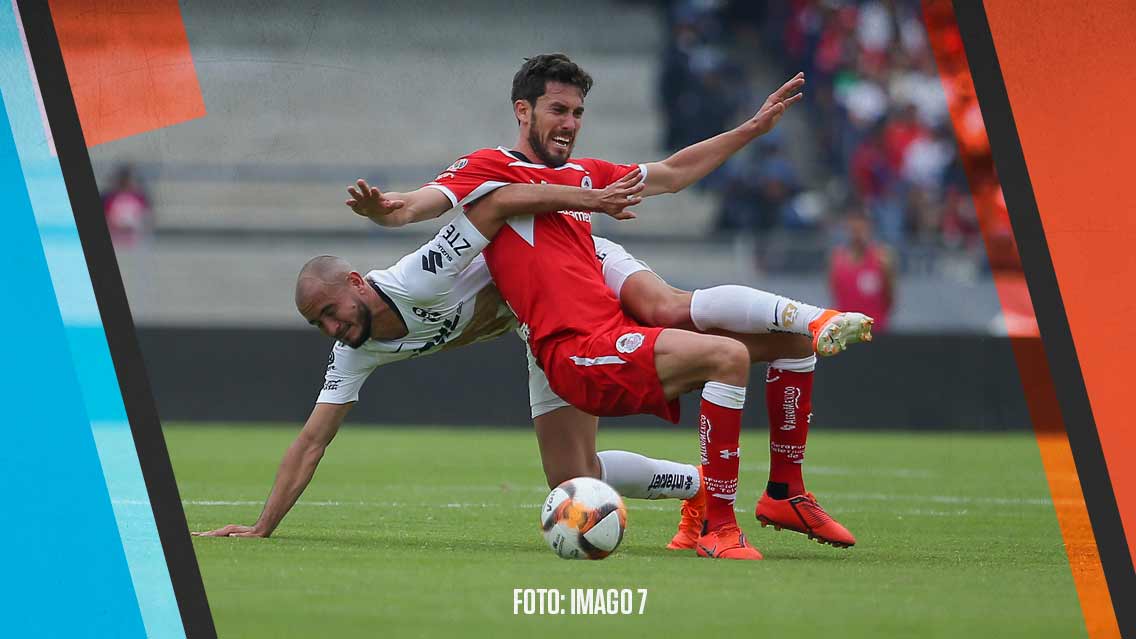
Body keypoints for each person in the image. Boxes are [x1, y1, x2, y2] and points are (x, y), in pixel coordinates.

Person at [345, 54, 871, 559]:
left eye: (577, 112)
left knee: (788, 348)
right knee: (725, 357)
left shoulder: (583, 174)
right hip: (574, 350)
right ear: (522, 111)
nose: (570, 123)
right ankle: (719, 525)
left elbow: (671, 174)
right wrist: (384, 212)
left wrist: (750, 130)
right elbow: (416, 205)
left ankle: (781, 490)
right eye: (558, 110)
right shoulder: (490, 169)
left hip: (604, 334)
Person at [193, 178, 856, 549]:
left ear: (359, 282)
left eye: (332, 311)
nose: (332, 329)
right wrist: (261, 527)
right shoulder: (355, 349)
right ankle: (700, 489)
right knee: (576, 484)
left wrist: (588, 202)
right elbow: (313, 439)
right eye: (320, 325)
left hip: (571, 263)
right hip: (538, 325)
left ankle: (804, 324)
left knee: (669, 309)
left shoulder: (419, 273)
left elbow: (495, 203)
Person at [829, 209, 896, 332]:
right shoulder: (837, 260)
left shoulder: (881, 259)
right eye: (854, 230)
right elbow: (834, 293)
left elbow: (890, 298)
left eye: (861, 230)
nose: (857, 235)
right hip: (845, 332)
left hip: (875, 330)